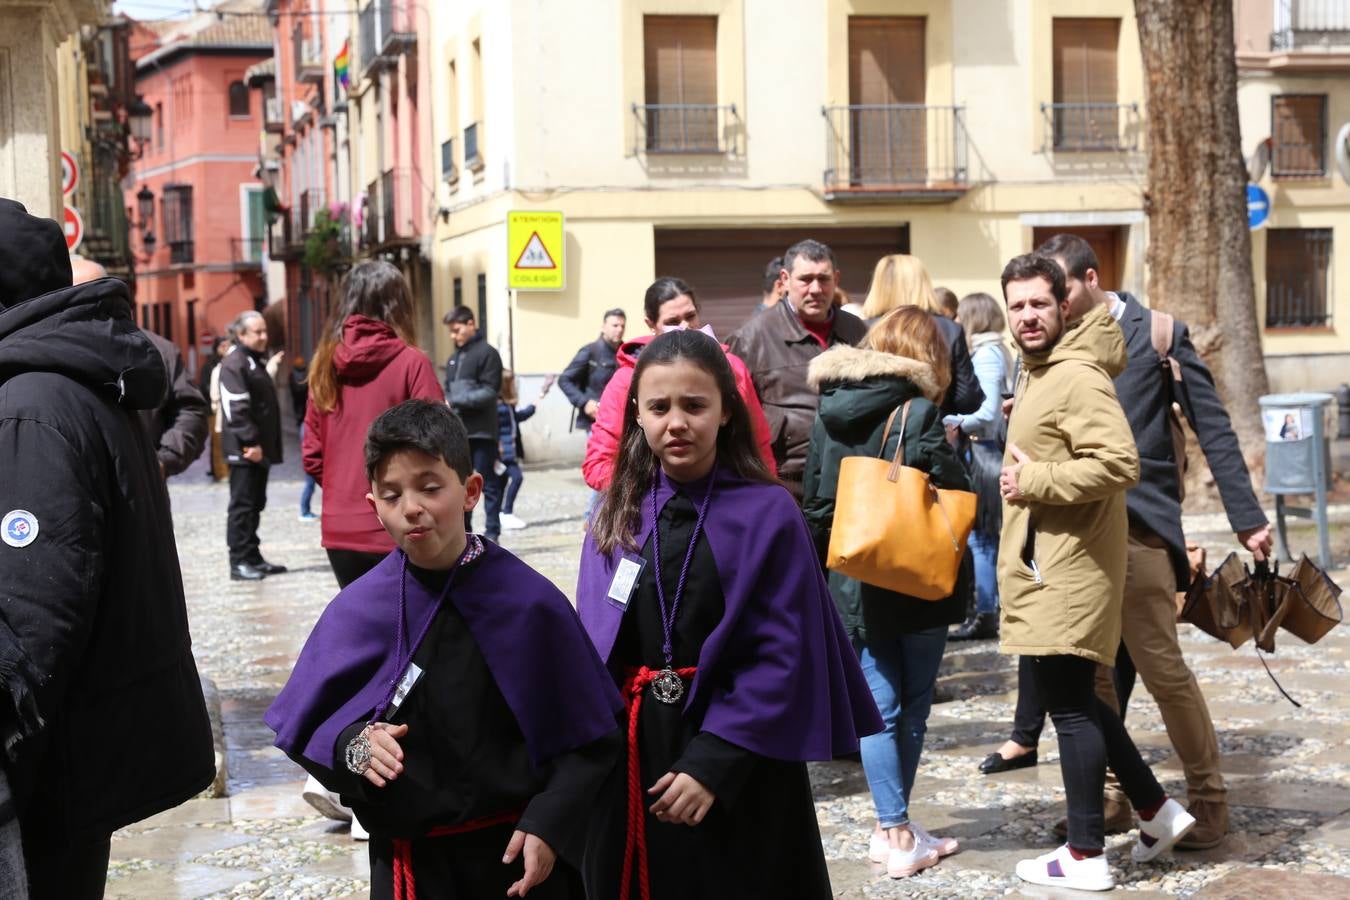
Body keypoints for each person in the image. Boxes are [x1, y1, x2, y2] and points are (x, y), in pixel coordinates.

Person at [266, 399, 624, 900]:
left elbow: (592, 738)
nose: (411, 506)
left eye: (430, 488)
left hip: (520, 860)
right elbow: (318, 727)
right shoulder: (360, 609)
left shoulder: (529, 603)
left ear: (471, 491)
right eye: (391, 495)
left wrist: (551, 822)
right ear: (374, 507)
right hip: (413, 867)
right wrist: (355, 744)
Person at [980, 235, 1271, 850]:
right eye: (1026, 301)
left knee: (1164, 673)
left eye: (1054, 292)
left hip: (1140, 529)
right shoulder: (1043, 353)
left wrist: (1247, 519)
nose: (1042, 307)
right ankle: (1114, 801)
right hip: (1068, 540)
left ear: (1086, 282)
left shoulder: (1154, 333)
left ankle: (1207, 801)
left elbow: (1211, 426)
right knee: (1093, 686)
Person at [575, 329, 882, 899]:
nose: (677, 423)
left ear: (725, 413)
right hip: (634, 757)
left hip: (739, 759)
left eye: (695, 406)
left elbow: (784, 653)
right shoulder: (615, 511)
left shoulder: (768, 513)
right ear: (636, 415)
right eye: (659, 407)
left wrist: (714, 762)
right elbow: (591, 645)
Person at [0, 199, 214, 898]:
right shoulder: (68, 384)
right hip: (74, 764)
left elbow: (32, 617)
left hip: (49, 774)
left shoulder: (32, 407)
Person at [997, 253, 1194, 891]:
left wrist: (1031, 478)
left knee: (1072, 709)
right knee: (1076, 697)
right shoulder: (1043, 370)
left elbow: (1119, 464)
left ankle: (1084, 856)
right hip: (1053, 557)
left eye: (1038, 303)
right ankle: (1156, 810)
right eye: (1017, 305)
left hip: (1070, 562)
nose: (1028, 315)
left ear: (1065, 306)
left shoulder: (1076, 373)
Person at [802, 307, 969, 880]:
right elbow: (954, 491)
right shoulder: (919, 410)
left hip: (852, 580)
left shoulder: (828, 409)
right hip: (916, 579)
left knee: (877, 707)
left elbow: (817, 504)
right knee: (912, 706)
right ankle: (895, 830)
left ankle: (889, 827)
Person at [304, 261, 445, 589]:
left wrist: (347, 491)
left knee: (366, 632)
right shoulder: (412, 363)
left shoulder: (323, 367)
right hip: (403, 525)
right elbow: (438, 445)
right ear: (399, 306)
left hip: (340, 530)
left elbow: (311, 454)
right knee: (411, 632)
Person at [583, 277, 775, 491]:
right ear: (651, 324)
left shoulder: (732, 368)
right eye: (673, 321)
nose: (685, 326)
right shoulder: (627, 380)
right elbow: (598, 465)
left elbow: (759, 447)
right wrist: (659, 492)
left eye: (691, 316)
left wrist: (764, 496)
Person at [725, 239, 868, 498]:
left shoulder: (859, 332)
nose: (815, 289)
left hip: (852, 480)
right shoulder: (750, 339)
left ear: (836, 279)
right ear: (785, 279)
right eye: (805, 279)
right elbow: (730, 420)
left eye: (823, 279)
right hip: (784, 486)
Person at [70, 257, 209, 480]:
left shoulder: (158, 351)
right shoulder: (47, 354)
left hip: (144, 496)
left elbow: (190, 410)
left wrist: (163, 461)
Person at [946, 292, 1013, 642]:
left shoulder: (986, 353)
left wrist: (947, 420)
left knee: (981, 539)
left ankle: (986, 613)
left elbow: (986, 412)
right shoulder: (996, 349)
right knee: (985, 538)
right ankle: (989, 609)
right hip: (986, 450)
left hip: (983, 452)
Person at [859, 254, 984, 417]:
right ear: (922, 283)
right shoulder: (948, 328)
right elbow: (968, 399)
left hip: (877, 435)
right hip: (932, 430)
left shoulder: (863, 329)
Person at [220, 310, 287, 581]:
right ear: (241, 334)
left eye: (264, 331)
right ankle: (239, 562)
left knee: (256, 503)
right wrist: (251, 442)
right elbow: (236, 407)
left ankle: (253, 556)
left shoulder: (252, 360)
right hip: (245, 451)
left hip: (259, 450)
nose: (263, 337)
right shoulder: (234, 363)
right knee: (242, 506)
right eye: (257, 332)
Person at [443, 305, 505, 540]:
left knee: (488, 483)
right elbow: (447, 389)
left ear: (471, 324)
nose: (453, 336)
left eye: (456, 330)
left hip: (482, 432)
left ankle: (492, 532)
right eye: (450, 331)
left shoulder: (487, 353)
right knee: (459, 485)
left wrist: (455, 401)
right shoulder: (453, 358)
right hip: (457, 433)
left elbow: (490, 391)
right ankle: (464, 533)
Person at [497, 370, 551, 531]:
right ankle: (505, 513)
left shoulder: (506, 406)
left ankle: (500, 514)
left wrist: (541, 394)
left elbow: (520, 416)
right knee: (516, 478)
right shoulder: (499, 407)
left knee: (501, 483)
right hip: (503, 453)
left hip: (508, 452)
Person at [558, 308, 625, 434]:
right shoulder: (591, 351)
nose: (620, 329)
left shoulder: (626, 353)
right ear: (603, 327)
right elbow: (564, 380)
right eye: (615, 325)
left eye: (622, 326)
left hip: (622, 420)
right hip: (597, 423)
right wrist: (584, 402)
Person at [290, 356, 318, 522]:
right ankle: (304, 510)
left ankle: (305, 509)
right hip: (303, 423)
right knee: (309, 479)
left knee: (310, 480)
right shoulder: (302, 382)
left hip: (302, 421)